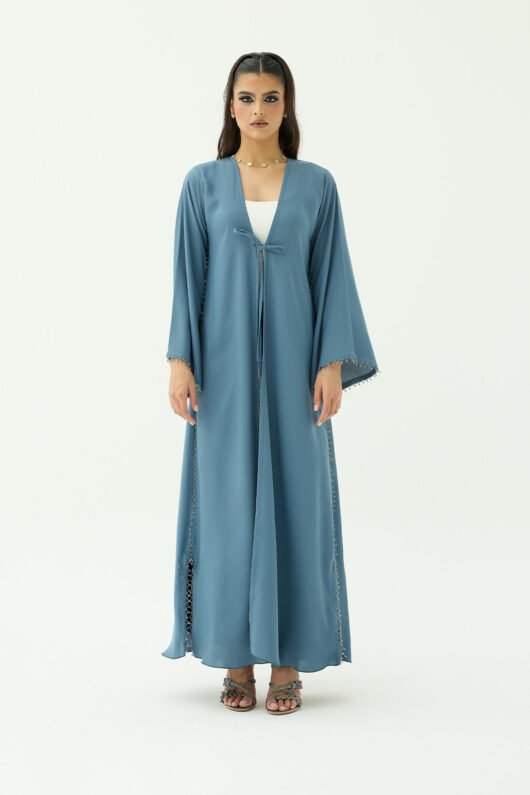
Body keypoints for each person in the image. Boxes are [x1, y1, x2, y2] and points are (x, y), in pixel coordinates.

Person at [161, 52, 380, 715]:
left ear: (288, 106)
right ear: (230, 106)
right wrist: (179, 359)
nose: (258, 110)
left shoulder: (317, 185)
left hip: (297, 370)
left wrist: (331, 360)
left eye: (271, 98)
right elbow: (187, 275)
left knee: (298, 504)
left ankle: (288, 660)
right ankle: (236, 656)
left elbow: (332, 274)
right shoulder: (202, 184)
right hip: (222, 371)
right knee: (226, 505)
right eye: (247, 97)